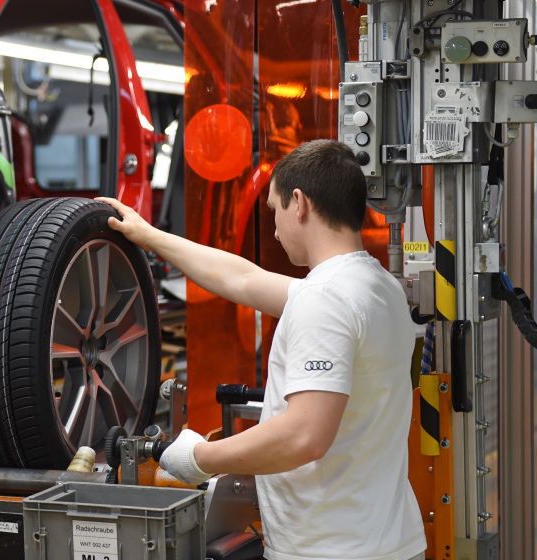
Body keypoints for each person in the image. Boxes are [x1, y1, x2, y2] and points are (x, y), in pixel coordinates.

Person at [98, 139, 427, 560]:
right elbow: (243, 280)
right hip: (387, 541)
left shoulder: (324, 298)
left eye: (273, 211)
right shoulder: (379, 287)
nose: (273, 229)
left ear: (299, 203)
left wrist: (201, 457)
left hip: (329, 550)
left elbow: (304, 435)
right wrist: (149, 236)